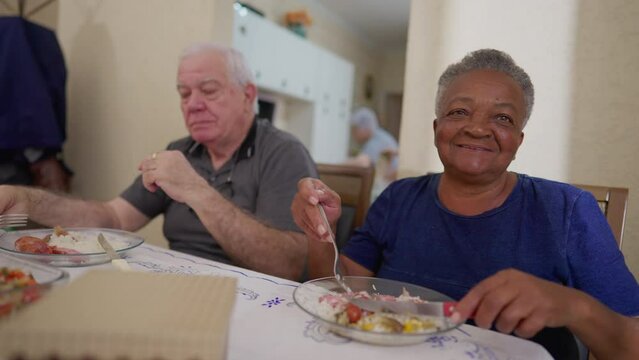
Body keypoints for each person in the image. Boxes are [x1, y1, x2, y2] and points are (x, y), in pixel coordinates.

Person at [291, 49, 639, 359]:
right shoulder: (399, 197)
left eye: (502, 118)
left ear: (518, 140)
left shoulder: (569, 210)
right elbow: (340, 291)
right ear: (436, 127)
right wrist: (322, 228)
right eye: (459, 111)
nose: (477, 128)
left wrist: (574, 307)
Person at [0, 43, 317, 280]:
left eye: (208, 90)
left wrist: (196, 190)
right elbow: (113, 218)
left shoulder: (284, 153)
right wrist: (28, 200)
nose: (192, 105)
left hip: (251, 297)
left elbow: (287, 266)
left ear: (248, 95)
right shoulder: (180, 151)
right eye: (183, 93)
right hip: (177, 286)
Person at [348, 106, 399, 193]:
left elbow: (363, 162)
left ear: (364, 128)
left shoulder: (376, 141)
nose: (353, 134)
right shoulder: (377, 137)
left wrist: (338, 164)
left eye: (355, 129)